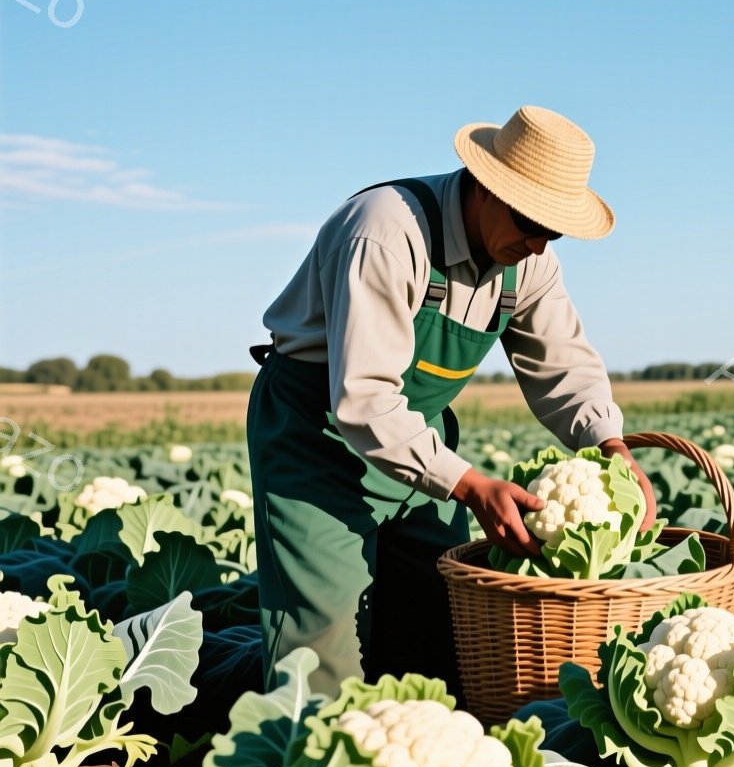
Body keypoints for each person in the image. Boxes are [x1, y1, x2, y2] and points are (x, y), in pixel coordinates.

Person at [247, 105, 655, 695]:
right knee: (321, 656)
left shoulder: (530, 262)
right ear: (487, 187)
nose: (538, 244)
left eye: (553, 231)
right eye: (529, 222)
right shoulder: (386, 232)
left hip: (420, 447)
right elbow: (362, 398)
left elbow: (563, 367)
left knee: (439, 634)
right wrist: (469, 485)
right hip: (318, 442)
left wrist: (611, 445)